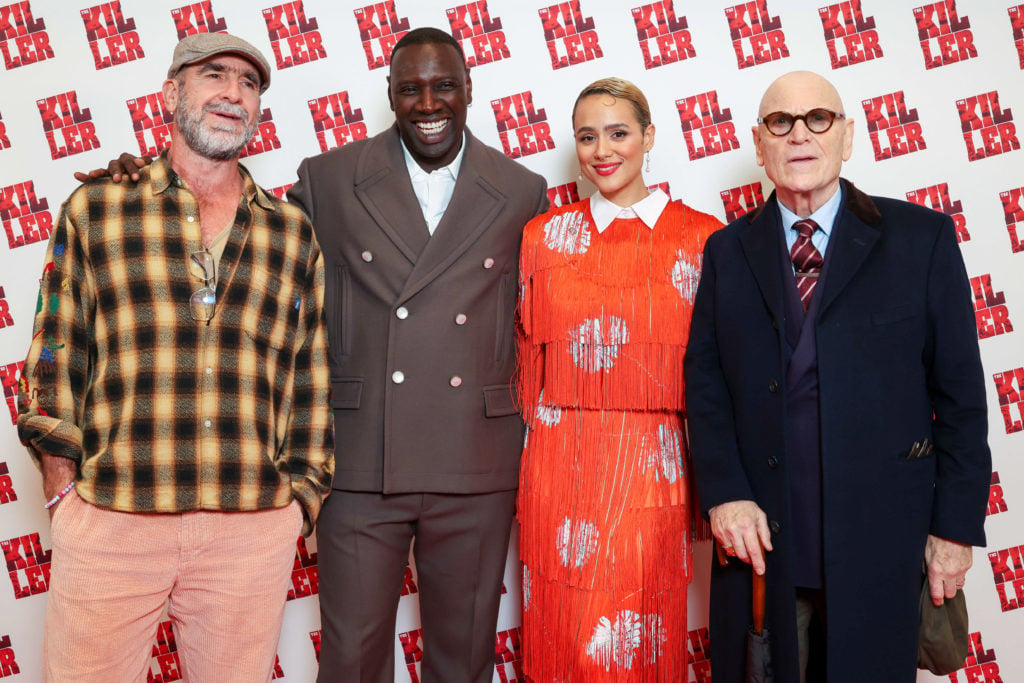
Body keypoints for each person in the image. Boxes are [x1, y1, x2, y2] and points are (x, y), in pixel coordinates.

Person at [17, 32, 333, 682]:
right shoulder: (97, 208)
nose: (232, 92)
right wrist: (62, 492)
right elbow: (53, 353)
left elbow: (310, 375)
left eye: (249, 83)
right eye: (213, 74)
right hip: (114, 514)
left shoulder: (289, 231)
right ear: (170, 92)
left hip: (249, 525)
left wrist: (297, 500)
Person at [684, 70, 991, 683]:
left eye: (818, 119)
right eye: (781, 123)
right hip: (764, 543)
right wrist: (724, 493)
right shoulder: (725, 251)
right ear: (758, 143)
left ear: (847, 136)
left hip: (883, 540)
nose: (800, 136)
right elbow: (707, 384)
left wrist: (954, 530)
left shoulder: (920, 239)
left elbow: (961, 399)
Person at [288, 28, 547, 682]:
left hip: (474, 460)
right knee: (350, 660)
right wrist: (161, 180)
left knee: (463, 662)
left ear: (468, 91)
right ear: (390, 96)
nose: (427, 103)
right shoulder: (329, 179)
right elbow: (253, 247)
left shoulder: (521, 189)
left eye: (443, 87)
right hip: (360, 458)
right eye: (410, 89)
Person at [516, 78, 721, 681]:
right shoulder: (541, 237)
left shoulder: (704, 237)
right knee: (564, 630)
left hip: (654, 468)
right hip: (557, 468)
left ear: (649, 137)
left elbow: (718, 372)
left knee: (640, 626)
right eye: (586, 136)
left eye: (618, 133)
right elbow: (527, 367)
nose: (601, 150)